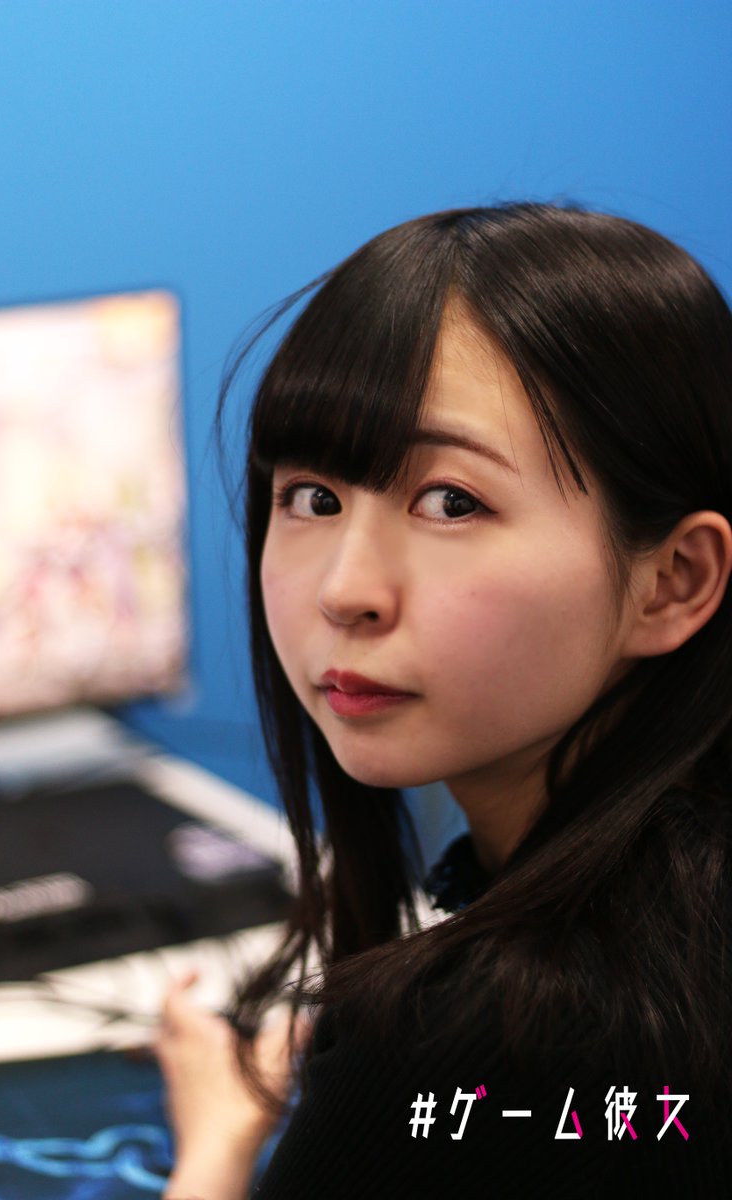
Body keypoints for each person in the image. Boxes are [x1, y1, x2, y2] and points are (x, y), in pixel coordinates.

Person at [156, 204, 732, 1198]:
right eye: (312, 497)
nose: (346, 590)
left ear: (671, 581)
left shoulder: (493, 1041)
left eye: (450, 503)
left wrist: (215, 1140)